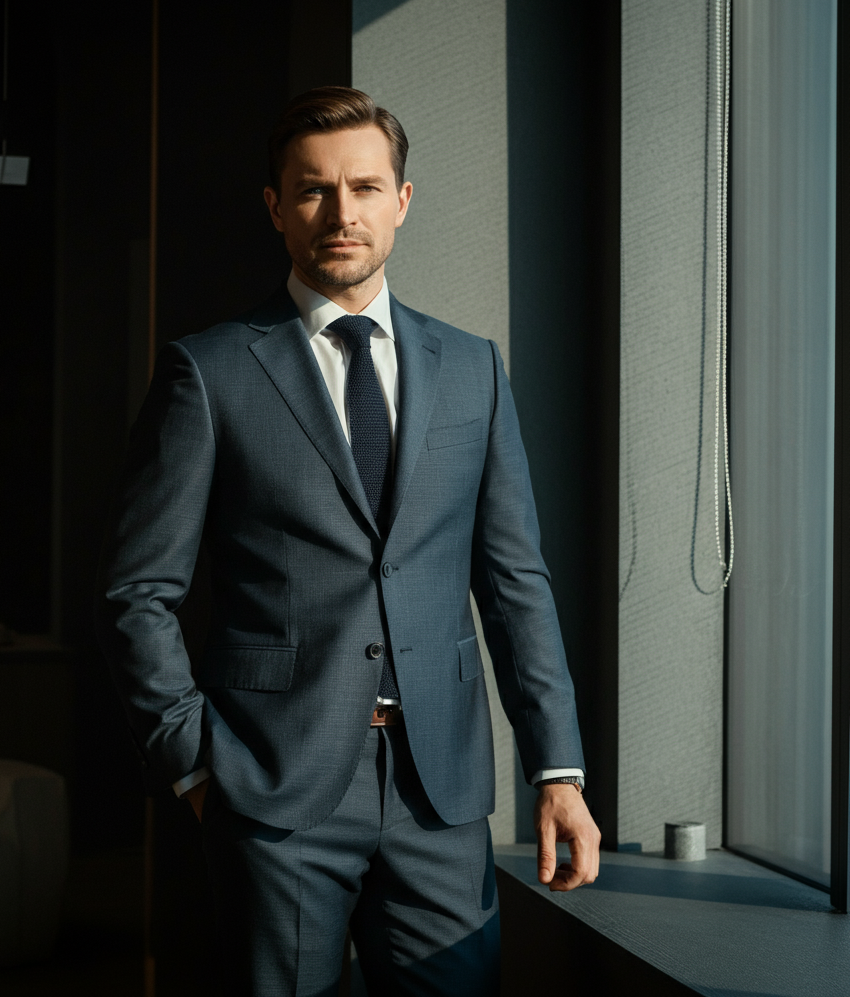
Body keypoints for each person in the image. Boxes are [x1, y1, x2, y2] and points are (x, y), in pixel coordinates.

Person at [96, 85, 600, 996]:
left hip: (439, 793)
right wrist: (195, 762)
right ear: (275, 207)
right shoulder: (209, 372)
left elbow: (514, 580)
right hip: (272, 786)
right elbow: (139, 591)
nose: (342, 213)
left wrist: (557, 768)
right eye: (314, 190)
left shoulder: (473, 368)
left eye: (364, 187)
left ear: (400, 201)